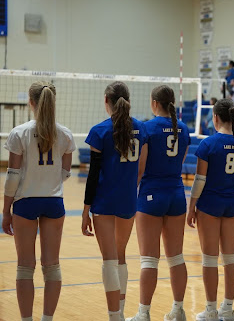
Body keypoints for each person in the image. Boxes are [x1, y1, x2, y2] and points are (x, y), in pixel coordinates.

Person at [1, 82, 75, 321]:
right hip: (54, 202)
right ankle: (47, 319)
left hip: (26, 202)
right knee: (51, 265)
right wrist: (49, 182)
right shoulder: (65, 134)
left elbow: (12, 176)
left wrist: (5, 209)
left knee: (25, 266)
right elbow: (65, 173)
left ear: (31, 102)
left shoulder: (19, 132)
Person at [81, 81, 148, 321]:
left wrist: (85, 209)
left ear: (106, 101)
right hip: (128, 200)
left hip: (104, 201)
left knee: (109, 259)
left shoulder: (99, 131)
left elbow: (93, 175)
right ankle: (119, 312)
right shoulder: (142, 129)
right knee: (121, 255)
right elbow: (141, 169)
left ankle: (114, 317)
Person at [127, 86, 189, 321]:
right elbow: (180, 162)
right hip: (176, 195)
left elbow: (141, 169)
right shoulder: (183, 129)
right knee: (176, 257)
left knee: (149, 259)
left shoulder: (147, 128)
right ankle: (178, 310)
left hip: (151, 196)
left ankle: (143, 313)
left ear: (154, 103)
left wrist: (130, 194)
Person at [187, 98, 234, 321]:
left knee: (210, 259)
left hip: (210, 204)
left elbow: (200, 179)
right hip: (233, 203)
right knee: (231, 257)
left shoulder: (208, 144)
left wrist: (191, 206)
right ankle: (228, 309)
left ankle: (211, 310)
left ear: (215, 117)